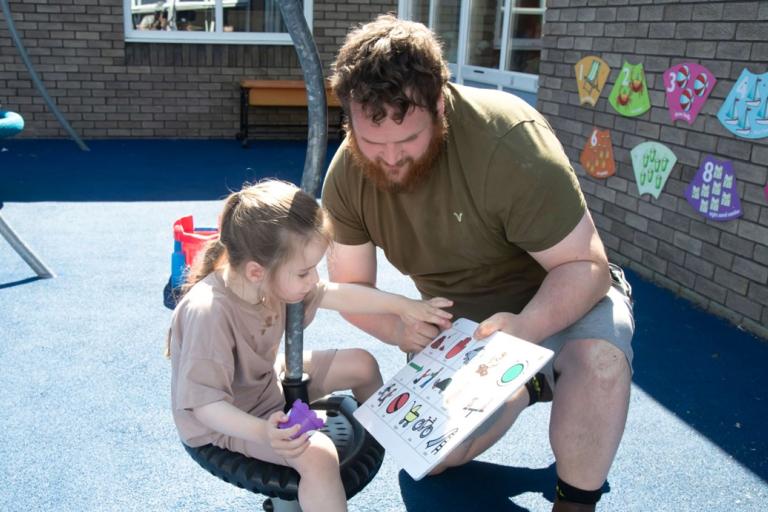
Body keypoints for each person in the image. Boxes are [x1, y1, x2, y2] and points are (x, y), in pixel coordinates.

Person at [321, 15, 634, 512]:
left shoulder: (509, 138)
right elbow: (351, 289)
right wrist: (399, 329)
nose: (390, 159)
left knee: (600, 363)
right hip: (461, 327)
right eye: (372, 143)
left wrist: (527, 328)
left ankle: (576, 500)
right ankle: (528, 382)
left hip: (559, 296)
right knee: (435, 461)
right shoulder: (348, 173)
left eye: (408, 140)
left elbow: (586, 266)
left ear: (439, 106)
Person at [167, 180, 452, 512]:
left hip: (262, 380)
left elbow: (335, 293)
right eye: (304, 272)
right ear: (257, 271)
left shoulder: (269, 281)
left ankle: (409, 448)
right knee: (319, 455)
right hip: (226, 420)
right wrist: (264, 431)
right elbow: (206, 406)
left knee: (362, 365)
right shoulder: (209, 313)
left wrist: (403, 306)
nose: (313, 279)